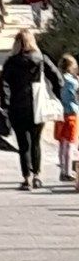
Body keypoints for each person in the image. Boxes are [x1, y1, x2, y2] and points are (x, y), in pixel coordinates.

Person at [0, 25, 63, 190]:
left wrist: (5, 103)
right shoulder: (41, 59)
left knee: (23, 144)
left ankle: (26, 177)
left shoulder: (11, 62)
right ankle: (37, 175)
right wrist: (56, 94)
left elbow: (4, 83)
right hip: (37, 103)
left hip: (17, 104)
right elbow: (57, 78)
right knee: (36, 142)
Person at [56, 53, 79, 184]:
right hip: (71, 113)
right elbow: (75, 97)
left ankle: (62, 170)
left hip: (59, 113)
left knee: (61, 143)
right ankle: (68, 171)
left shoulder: (58, 79)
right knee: (70, 143)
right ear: (71, 66)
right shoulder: (72, 81)